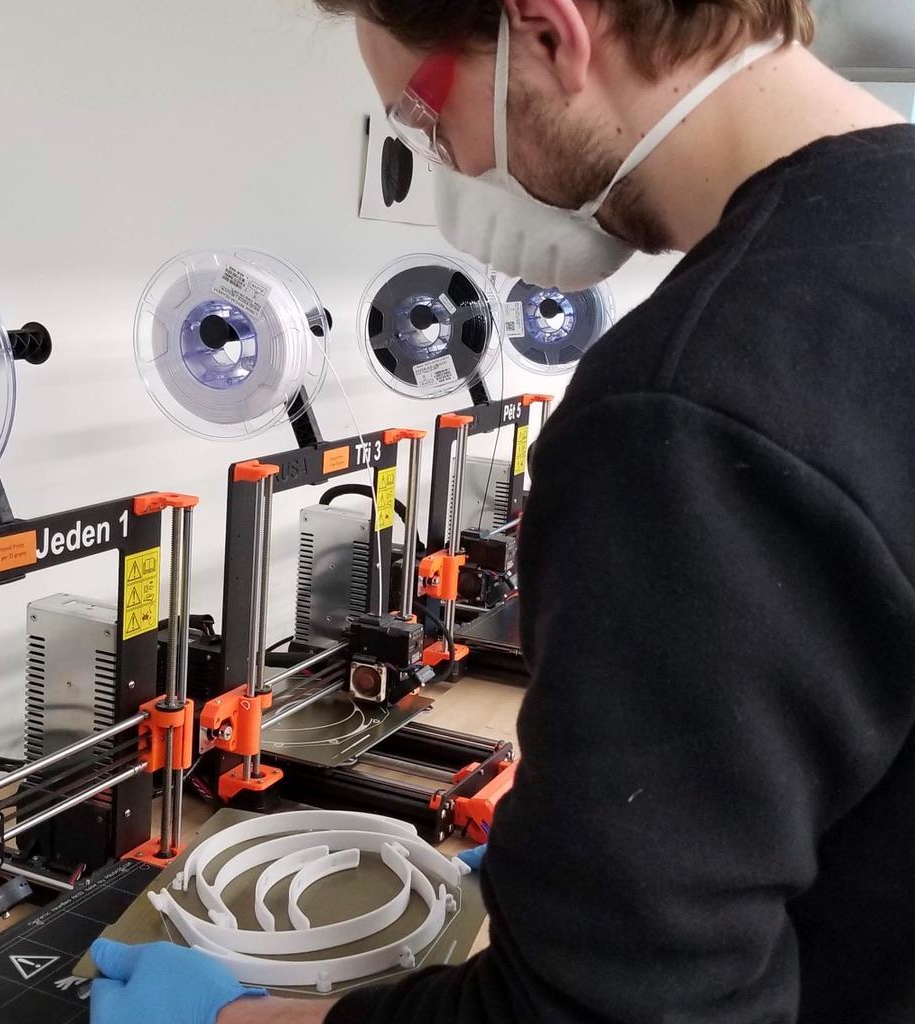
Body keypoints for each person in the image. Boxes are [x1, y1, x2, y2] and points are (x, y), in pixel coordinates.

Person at [92, 1, 915, 1021]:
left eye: (426, 119)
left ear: (551, 32)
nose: (448, 167)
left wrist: (231, 1018)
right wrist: (599, 863)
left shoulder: (689, 402)